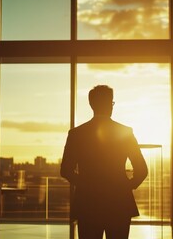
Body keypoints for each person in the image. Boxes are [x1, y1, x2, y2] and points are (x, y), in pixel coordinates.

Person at [61, 85, 148, 239]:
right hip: (119, 203)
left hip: (87, 203)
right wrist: (126, 186)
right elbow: (141, 169)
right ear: (110, 104)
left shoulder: (76, 134)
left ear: (91, 104)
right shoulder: (125, 132)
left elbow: (66, 170)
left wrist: (85, 184)